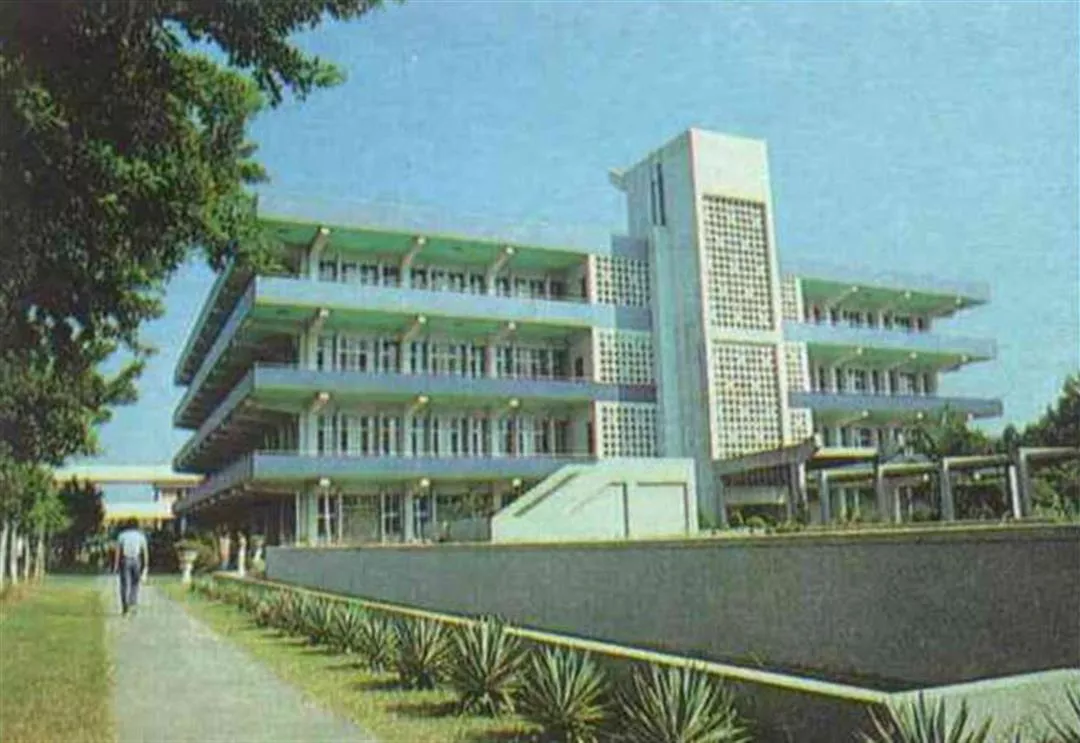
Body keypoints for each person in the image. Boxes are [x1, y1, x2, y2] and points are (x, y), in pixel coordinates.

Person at [113, 519, 149, 616]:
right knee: (135, 584)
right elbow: (145, 551)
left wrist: (116, 565)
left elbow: (118, 552)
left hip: (125, 560)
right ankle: (133, 603)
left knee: (124, 584)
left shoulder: (122, 535)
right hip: (136, 560)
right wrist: (146, 565)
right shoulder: (141, 536)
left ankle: (125, 607)